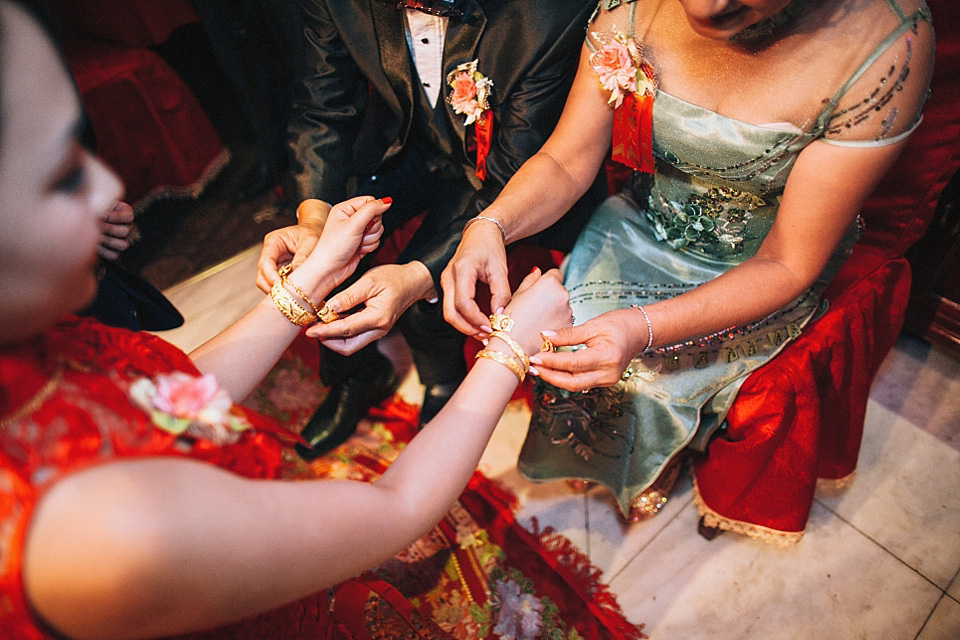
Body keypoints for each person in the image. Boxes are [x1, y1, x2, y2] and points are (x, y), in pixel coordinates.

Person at [0, 2, 580, 637]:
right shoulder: (119, 535)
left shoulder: (29, 350)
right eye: (62, 175)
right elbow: (397, 508)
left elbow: (165, 403)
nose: (111, 190)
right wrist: (511, 348)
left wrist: (306, 283)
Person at [441, 0, 935, 537]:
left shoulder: (883, 46)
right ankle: (603, 453)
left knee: (652, 381)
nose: (709, 6)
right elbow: (567, 159)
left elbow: (788, 260)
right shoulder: (626, 8)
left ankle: (667, 452)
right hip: (641, 224)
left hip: (758, 265)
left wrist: (640, 328)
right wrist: (491, 224)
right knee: (567, 337)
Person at [256, 0, 608, 457]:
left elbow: (521, 170)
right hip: (407, 148)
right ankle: (358, 375)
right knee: (322, 253)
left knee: (425, 271)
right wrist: (315, 220)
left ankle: (442, 381)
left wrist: (415, 275)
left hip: (502, 170)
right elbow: (323, 110)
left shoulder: (545, 16)